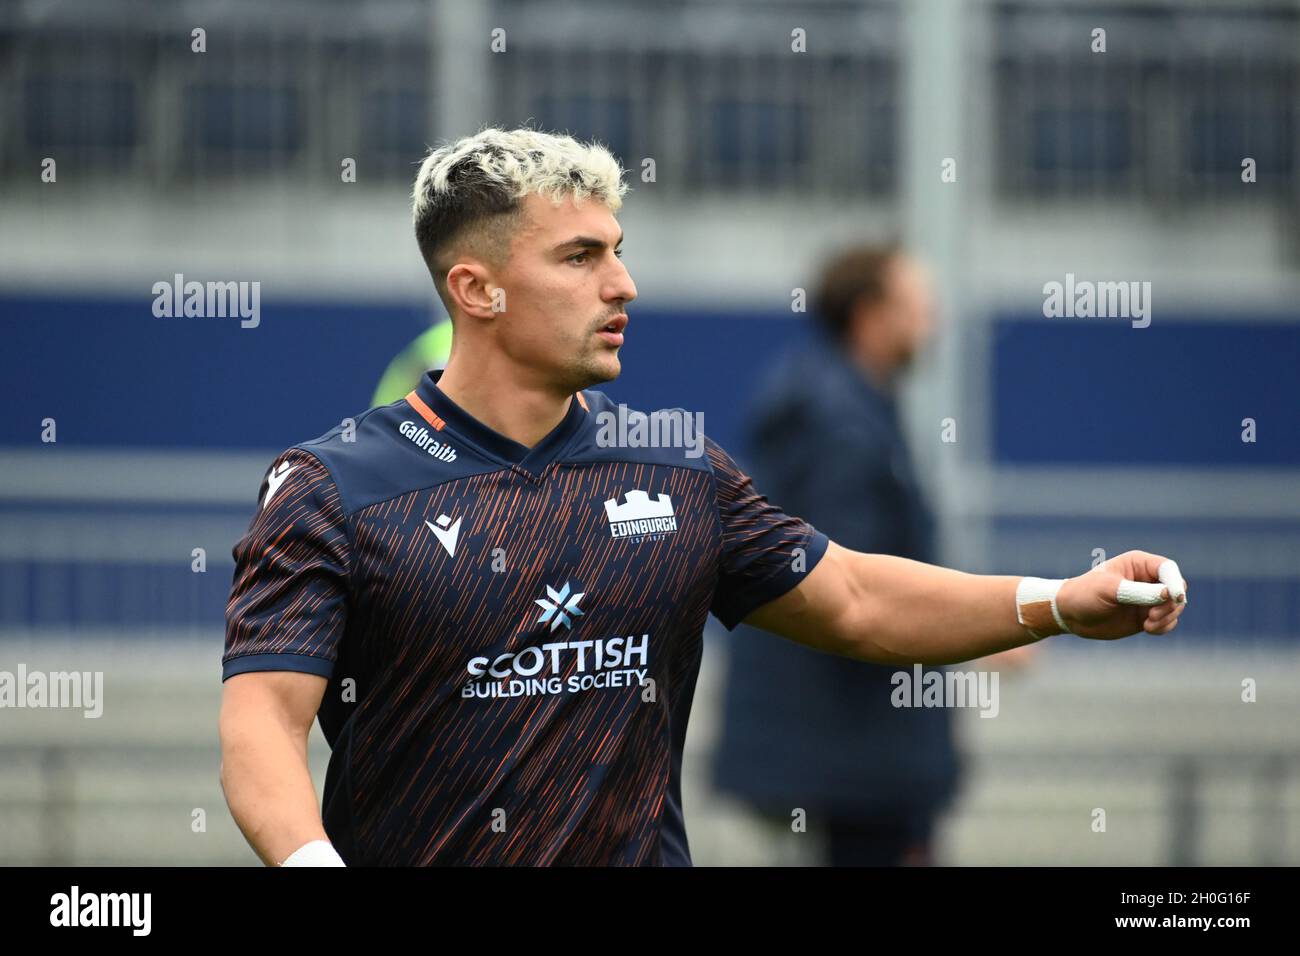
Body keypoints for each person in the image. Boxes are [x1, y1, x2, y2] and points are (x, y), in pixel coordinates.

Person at [217, 127, 1189, 867]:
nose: (624, 284)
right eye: (580, 257)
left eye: (618, 249)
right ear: (476, 289)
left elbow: (854, 597)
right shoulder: (332, 486)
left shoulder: (676, 468)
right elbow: (263, 719)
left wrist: (1060, 601)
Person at [713, 244, 1034, 866]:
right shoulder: (838, 423)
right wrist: (992, 622)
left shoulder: (846, 407)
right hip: (848, 764)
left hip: (847, 757)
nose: (933, 323)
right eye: (918, 306)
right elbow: (853, 591)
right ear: (869, 314)